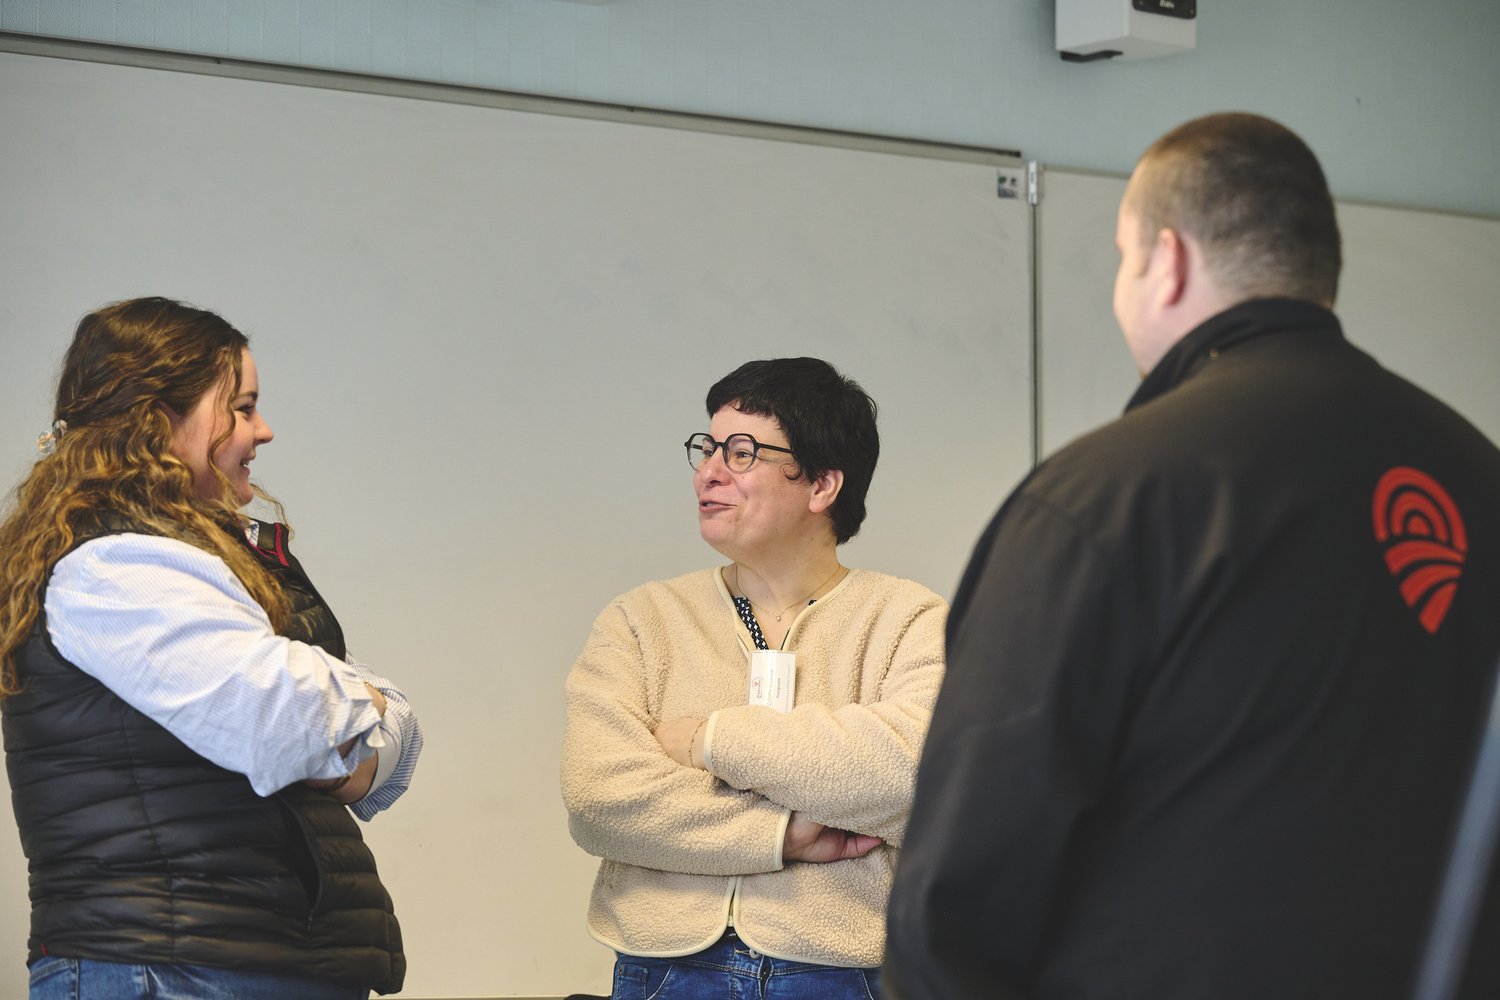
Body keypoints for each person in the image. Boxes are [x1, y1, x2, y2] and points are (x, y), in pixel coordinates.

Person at [883, 112, 1500, 1000]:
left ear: (1166, 261)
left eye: (1122, 258)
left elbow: (961, 892)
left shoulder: (1106, 498)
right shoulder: (1476, 475)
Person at [0, 297, 422, 999]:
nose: (264, 431)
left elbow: (373, 747)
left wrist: (348, 719)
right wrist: (362, 705)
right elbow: (289, 722)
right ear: (157, 420)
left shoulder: (193, 561)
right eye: (244, 408)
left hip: (233, 962)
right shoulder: (112, 565)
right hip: (172, 971)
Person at [561, 357, 947, 999]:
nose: (708, 472)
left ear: (821, 484)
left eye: (741, 453)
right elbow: (600, 797)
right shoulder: (641, 619)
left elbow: (919, 773)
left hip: (852, 974)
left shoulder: (909, 619)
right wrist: (786, 833)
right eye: (707, 449)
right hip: (665, 970)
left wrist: (707, 741)